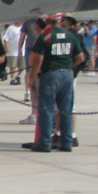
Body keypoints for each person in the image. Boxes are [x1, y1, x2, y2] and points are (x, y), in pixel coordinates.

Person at [28, 14, 85, 153]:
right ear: (61, 21)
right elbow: (81, 58)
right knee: (66, 110)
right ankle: (66, 143)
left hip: (50, 74)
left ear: (48, 21)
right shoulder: (70, 35)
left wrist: (33, 77)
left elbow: (38, 59)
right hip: (67, 74)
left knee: (47, 110)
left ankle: (45, 143)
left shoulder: (46, 36)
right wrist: (69, 64)